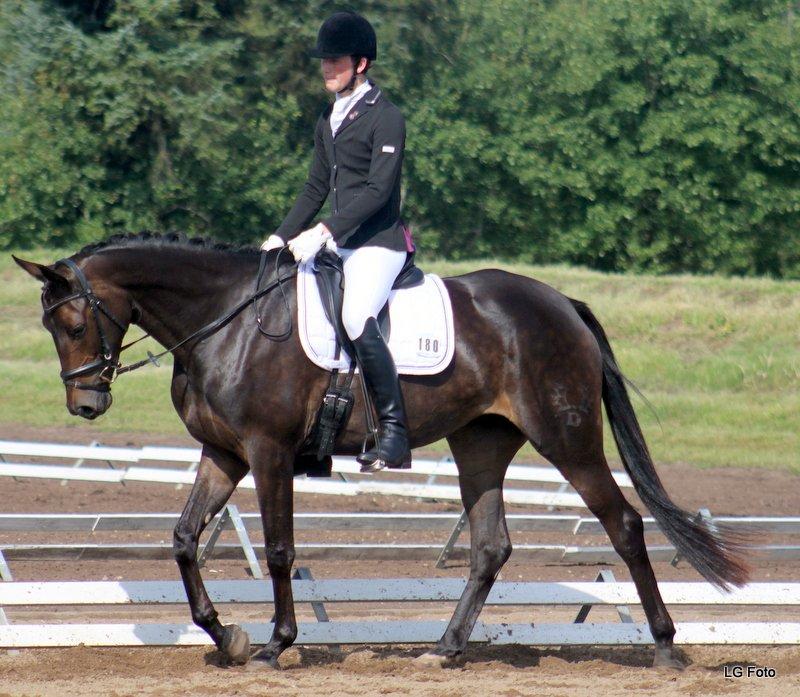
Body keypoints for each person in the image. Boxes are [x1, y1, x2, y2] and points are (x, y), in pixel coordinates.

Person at [262, 11, 413, 472]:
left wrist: (325, 231)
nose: (327, 68)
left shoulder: (386, 119)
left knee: (354, 314)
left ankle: (394, 433)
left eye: (336, 61)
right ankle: (319, 439)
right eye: (324, 61)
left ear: (361, 63)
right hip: (340, 243)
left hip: (378, 244)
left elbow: (377, 192)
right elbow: (313, 189)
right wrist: (278, 238)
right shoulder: (329, 118)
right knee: (302, 313)